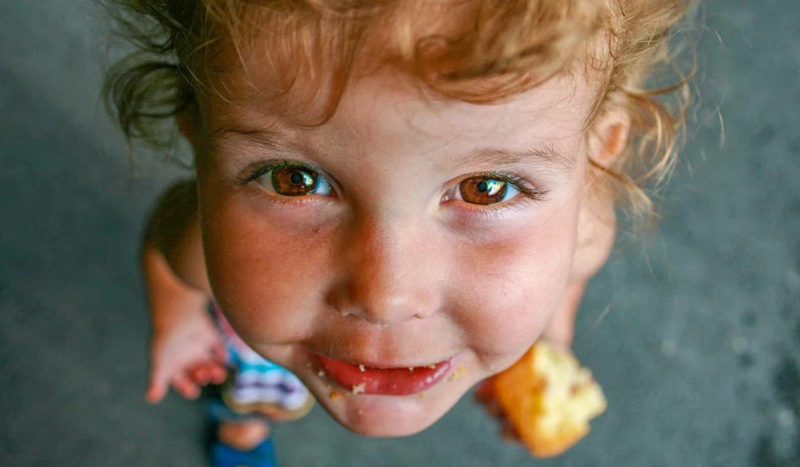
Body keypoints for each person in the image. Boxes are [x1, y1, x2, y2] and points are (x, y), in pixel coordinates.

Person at [104, 0, 694, 465]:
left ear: (596, 153)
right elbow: (168, 256)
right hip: (253, 356)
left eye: (486, 188)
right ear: (198, 129)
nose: (384, 299)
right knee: (252, 394)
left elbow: (568, 283)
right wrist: (180, 323)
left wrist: (549, 345)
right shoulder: (201, 249)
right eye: (295, 179)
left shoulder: (585, 235)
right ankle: (245, 427)